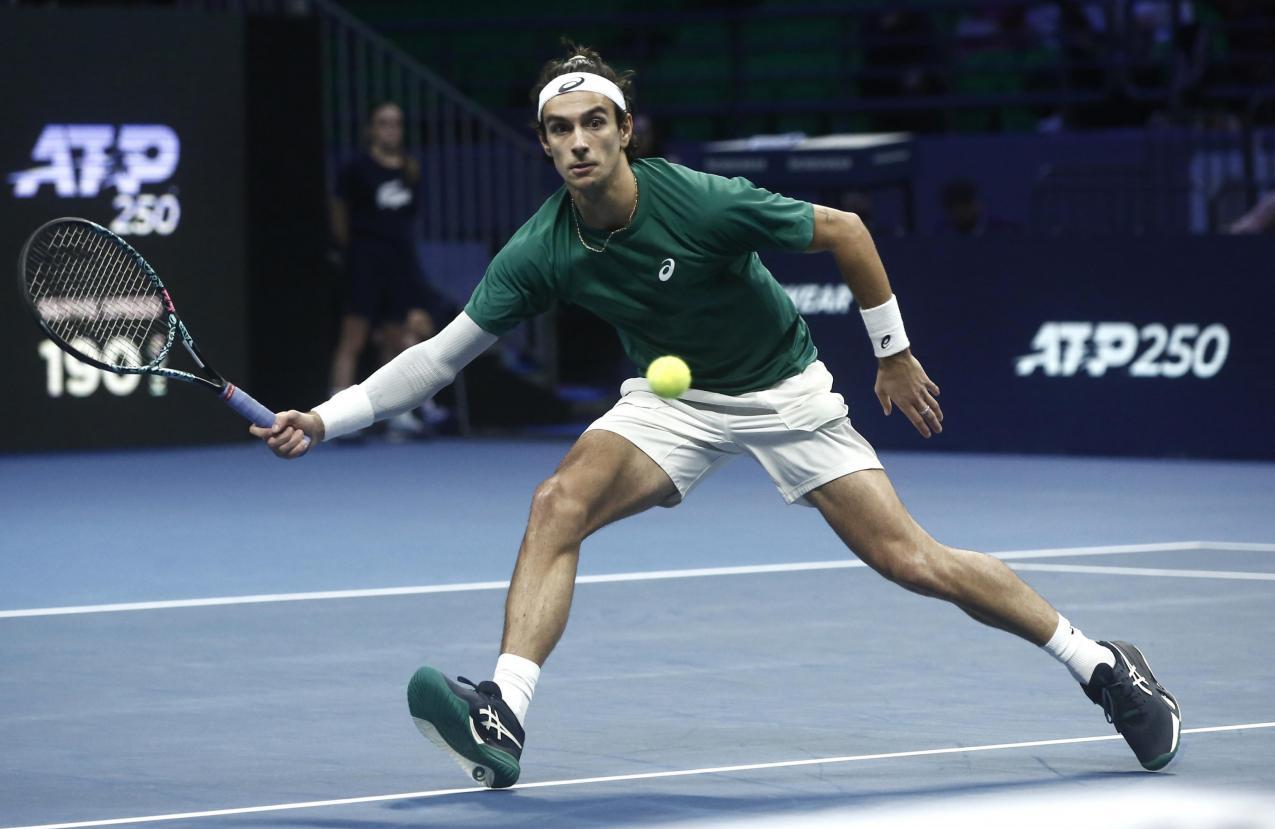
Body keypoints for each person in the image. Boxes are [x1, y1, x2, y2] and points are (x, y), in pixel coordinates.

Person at [252, 45, 1181, 789]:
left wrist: (891, 351)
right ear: (545, 145)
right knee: (556, 503)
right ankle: (504, 710)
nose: (577, 142)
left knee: (910, 560)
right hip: (673, 405)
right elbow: (441, 354)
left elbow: (848, 234)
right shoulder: (542, 245)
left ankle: (1100, 664)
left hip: (784, 392)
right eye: (558, 129)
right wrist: (327, 418)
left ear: (624, 132)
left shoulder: (697, 200)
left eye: (593, 124)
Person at [329, 101, 446, 437]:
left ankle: (398, 413)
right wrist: (352, 249)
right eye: (383, 123)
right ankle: (337, 413)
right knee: (354, 336)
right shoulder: (355, 168)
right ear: (371, 129)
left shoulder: (410, 169)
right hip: (364, 260)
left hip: (399, 262)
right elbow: (339, 210)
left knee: (397, 338)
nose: (390, 129)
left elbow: (408, 220)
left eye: (396, 123)